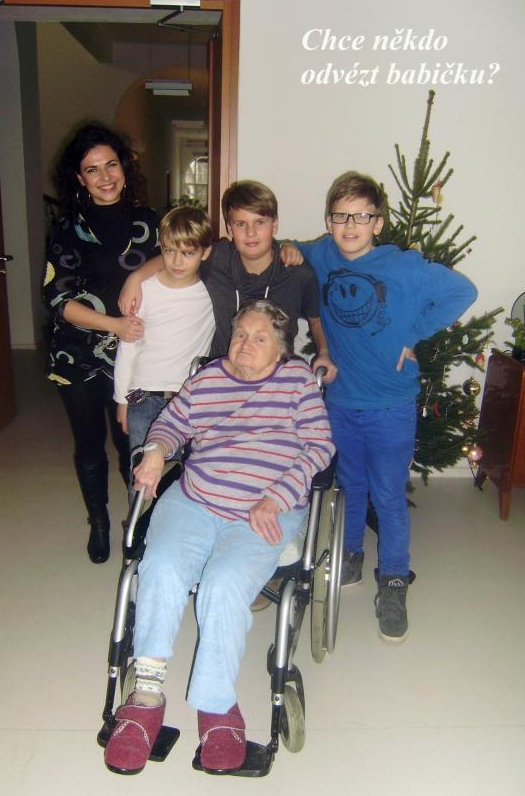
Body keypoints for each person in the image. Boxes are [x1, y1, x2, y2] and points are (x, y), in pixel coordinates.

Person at [103, 301, 335, 775]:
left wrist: (276, 496)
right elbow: (172, 423)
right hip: (196, 499)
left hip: (263, 510)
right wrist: (156, 450)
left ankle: (217, 707)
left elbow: (320, 446)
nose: (245, 344)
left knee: (224, 584)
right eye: (240, 334)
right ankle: (145, 697)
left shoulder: (296, 382)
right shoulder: (208, 377)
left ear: (281, 349)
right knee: (161, 567)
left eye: (260, 338)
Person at [295, 171, 478, 642]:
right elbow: (279, 248)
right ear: (328, 221)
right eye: (340, 216)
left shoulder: (404, 266)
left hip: (391, 405)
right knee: (350, 485)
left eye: (361, 217)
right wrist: (287, 251)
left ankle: (394, 580)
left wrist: (412, 335)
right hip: (340, 402)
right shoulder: (322, 252)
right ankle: (352, 556)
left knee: (389, 495)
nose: (349, 226)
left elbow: (463, 291)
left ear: (378, 222)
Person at [42, 123, 160, 565]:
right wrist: (113, 324)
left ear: (124, 168)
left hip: (134, 355)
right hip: (77, 353)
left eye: (111, 165)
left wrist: (136, 274)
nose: (105, 176)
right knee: (90, 443)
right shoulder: (66, 229)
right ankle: (99, 520)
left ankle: (138, 520)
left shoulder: (149, 222)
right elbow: (58, 299)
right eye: (93, 169)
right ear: (80, 178)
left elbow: (176, 258)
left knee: (132, 444)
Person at [118, 180, 338, 382]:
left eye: (260, 222)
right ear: (230, 229)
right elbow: (179, 253)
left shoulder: (297, 273)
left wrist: (324, 353)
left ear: (275, 225)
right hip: (221, 380)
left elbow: (316, 320)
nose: (251, 232)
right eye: (241, 224)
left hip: (277, 383)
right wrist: (136, 277)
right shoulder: (216, 259)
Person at [113, 205, 215, 507]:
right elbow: (128, 348)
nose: (177, 261)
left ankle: (177, 526)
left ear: (205, 253)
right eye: (169, 251)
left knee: (191, 474)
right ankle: (137, 529)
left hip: (190, 401)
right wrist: (121, 401)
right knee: (142, 476)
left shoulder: (212, 292)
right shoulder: (145, 290)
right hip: (143, 398)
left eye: (188, 253)